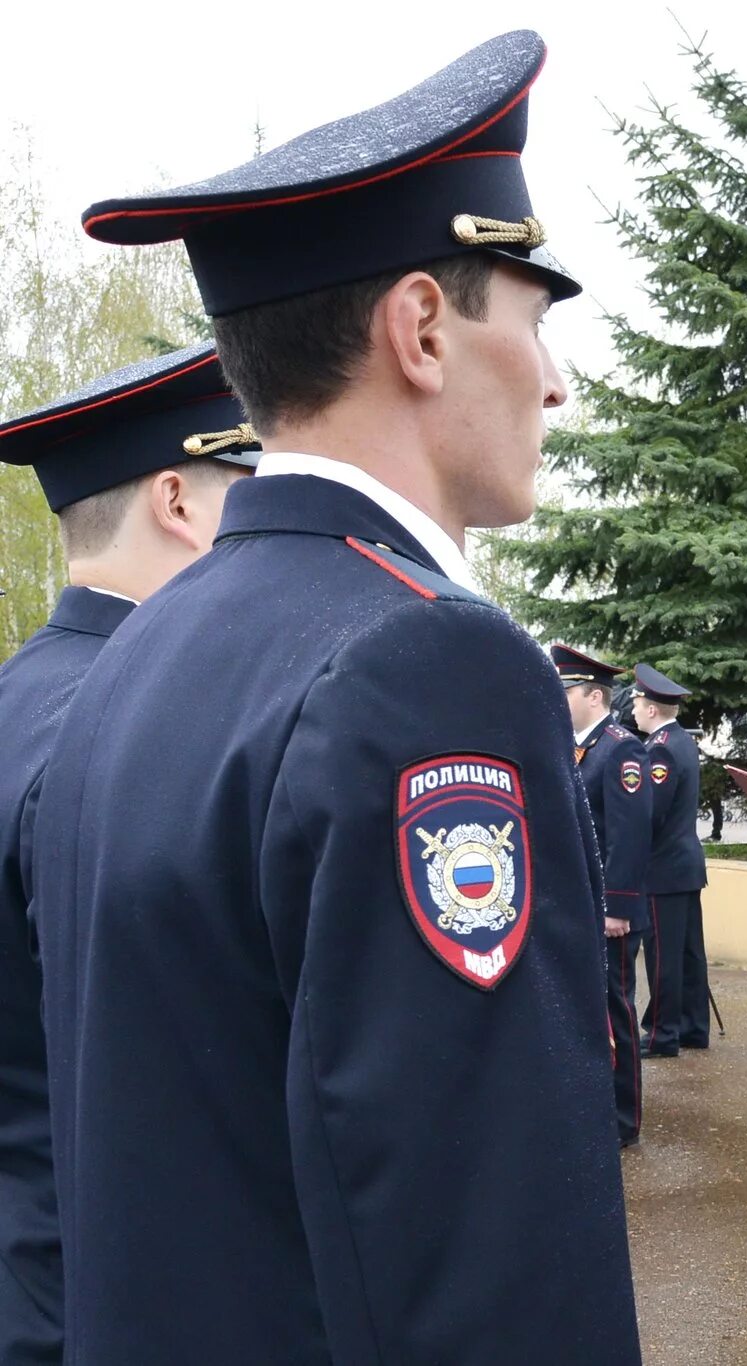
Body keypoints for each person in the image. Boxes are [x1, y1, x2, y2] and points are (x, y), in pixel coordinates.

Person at [30, 33, 640, 1361]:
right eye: (534, 321)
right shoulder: (433, 664)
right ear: (422, 328)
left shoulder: (134, 651)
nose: (555, 380)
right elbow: (493, 1254)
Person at [0, 346, 258, 1365]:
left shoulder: (23, 693)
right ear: (178, 502)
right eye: (249, 491)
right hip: (114, 1292)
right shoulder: (130, 724)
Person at [556, 646, 653, 1141]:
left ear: (594, 696)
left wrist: (617, 906)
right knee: (591, 1006)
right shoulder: (576, 747)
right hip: (583, 903)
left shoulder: (620, 749)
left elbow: (629, 833)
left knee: (616, 1006)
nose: (558, 697)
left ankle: (623, 1119)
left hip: (609, 910)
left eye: (566, 690)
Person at [633, 663, 712, 1056]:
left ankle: (664, 1035)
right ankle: (693, 1028)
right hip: (683, 866)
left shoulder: (660, 748)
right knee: (688, 954)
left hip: (663, 870)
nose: (632, 709)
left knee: (663, 955)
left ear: (651, 709)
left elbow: (652, 811)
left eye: (636, 702)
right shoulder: (680, 740)